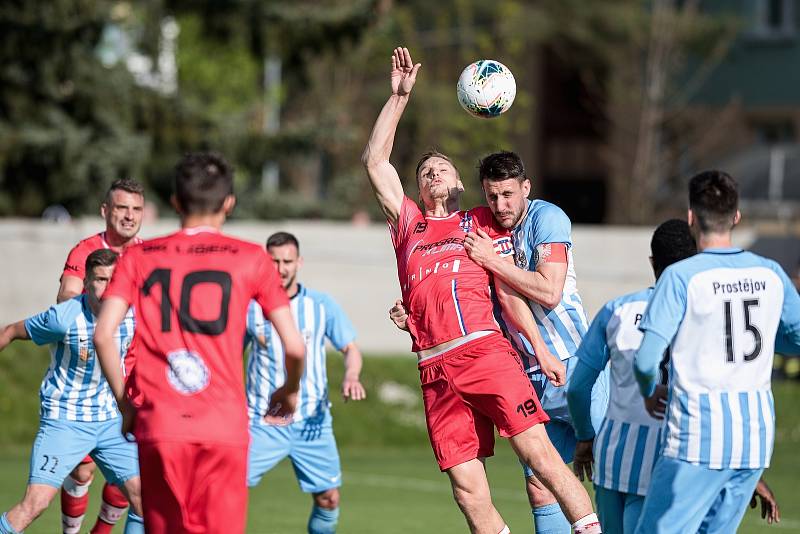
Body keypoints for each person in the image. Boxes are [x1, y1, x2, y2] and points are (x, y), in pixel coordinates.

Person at [362, 46, 600, 534]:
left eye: (442, 168)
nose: (433, 173)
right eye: (425, 171)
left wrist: (539, 347)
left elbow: (507, 292)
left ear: (457, 183)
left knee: (541, 456)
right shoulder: (407, 226)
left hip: (485, 352)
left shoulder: (479, 223)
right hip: (434, 366)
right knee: (468, 493)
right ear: (416, 187)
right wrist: (398, 98)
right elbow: (374, 160)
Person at [94, 152, 306, 533]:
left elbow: (103, 334)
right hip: (223, 427)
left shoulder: (139, 257)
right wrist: (290, 390)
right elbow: (294, 346)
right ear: (229, 203)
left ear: (175, 201)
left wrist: (127, 406)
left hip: (160, 423)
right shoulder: (252, 258)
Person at [633, 171, 800, 532]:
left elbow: (646, 360)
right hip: (753, 440)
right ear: (737, 217)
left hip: (697, 438)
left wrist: (649, 391)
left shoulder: (681, 277)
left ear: (691, 216)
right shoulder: (771, 273)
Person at [462, 150, 609, 533]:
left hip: (574, 364)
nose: (501, 204)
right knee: (540, 487)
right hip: (526, 375)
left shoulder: (547, 218)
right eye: (492, 196)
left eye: (508, 194)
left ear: (525, 187)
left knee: (614, 474)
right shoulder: (487, 231)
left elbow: (550, 291)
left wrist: (493, 261)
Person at [0, 249, 144, 534]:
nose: (107, 288)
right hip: (65, 421)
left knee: (144, 499)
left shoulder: (131, 312)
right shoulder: (63, 318)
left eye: (113, 280)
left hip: (111, 421)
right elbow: (10, 331)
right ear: (87, 282)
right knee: (36, 504)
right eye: (100, 280)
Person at [565, 219, 696, 533]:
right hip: (665, 459)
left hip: (611, 457)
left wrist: (585, 435)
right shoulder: (699, 315)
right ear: (693, 263)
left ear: (652, 262)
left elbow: (578, 388)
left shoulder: (617, 310)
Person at [246, 231, 366, 534]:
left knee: (328, 499)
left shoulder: (320, 305)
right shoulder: (249, 307)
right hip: (260, 421)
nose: (281, 268)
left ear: (298, 262)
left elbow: (350, 349)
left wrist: (351, 375)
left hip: (312, 421)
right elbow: (228, 354)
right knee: (224, 489)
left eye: (287, 261)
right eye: (274, 261)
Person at [57, 178, 145, 534]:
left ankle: (101, 532)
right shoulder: (86, 250)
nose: (129, 216)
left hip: (136, 377)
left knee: (129, 471)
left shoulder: (149, 255)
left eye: (136, 209)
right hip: (89, 379)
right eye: (122, 208)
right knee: (81, 470)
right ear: (105, 211)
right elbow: (66, 297)